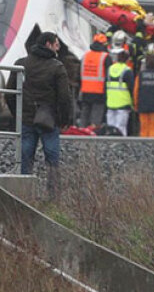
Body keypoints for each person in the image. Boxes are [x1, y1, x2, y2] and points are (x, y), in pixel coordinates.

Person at [21, 32, 72, 198]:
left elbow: (10, 92)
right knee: (52, 158)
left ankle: (23, 192)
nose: (58, 48)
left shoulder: (22, 64)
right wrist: (65, 119)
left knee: (25, 156)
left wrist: (18, 113)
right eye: (57, 44)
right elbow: (64, 96)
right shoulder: (57, 67)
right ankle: (53, 194)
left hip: (27, 118)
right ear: (49, 45)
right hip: (49, 120)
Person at [77, 33, 111, 128]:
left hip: (85, 91)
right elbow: (109, 76)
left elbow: (78, 75)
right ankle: (94, 140)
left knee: (84, 118)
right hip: (99, 92)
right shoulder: (105, 57)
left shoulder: (85, 56)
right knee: (96, 120)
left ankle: (80, 138)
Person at [105, 50, 135, 135]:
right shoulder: (127, 70)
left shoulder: (110, 69)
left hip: (110, 103)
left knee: (110, 130)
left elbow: (105, 85)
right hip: (123, 104)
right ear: (127, 59)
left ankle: (110, 147)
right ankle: (121, 148)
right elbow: (131, 88)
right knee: (121, 129)